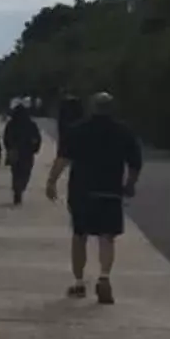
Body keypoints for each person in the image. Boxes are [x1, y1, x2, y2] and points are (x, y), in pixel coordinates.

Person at [45, 90, 142, 303]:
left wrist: (51, 182)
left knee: (80, 236)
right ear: (112, 108)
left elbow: (63, 159)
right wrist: (130, 184)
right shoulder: (123, 131)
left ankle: (79, 283)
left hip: (82, 191)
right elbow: (135, 162)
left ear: (92, 108)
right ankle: (104, 277)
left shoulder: (77, 130)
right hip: (110, 191)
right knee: (107, 237)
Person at [2, 99, 42, 205]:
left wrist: (9, 148)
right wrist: (35, 148)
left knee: (15, 172)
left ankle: (17, 189)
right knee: (26, 172)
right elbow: (37, 138)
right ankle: (20, 188)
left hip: (14, 152)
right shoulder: (31, 124)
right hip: (27, 152)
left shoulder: (11, 124)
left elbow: (6, 138)